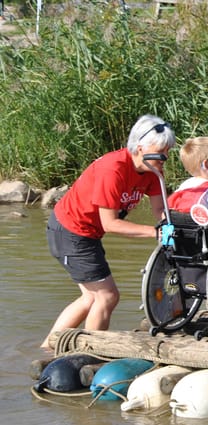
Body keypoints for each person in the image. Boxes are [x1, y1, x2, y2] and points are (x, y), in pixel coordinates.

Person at [42, 114, 176, 349]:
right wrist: (155, 234)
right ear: (140, 147)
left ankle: (48, 348)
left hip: (87, 234)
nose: (165, 156)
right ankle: (91, 352)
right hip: (70, 231)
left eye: (168, 150)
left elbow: (159, 211)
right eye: (161, 151)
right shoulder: (113, 169)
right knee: (107, 296)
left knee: (90, 298)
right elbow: (110, 224)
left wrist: (174, 226)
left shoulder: (153, 170)